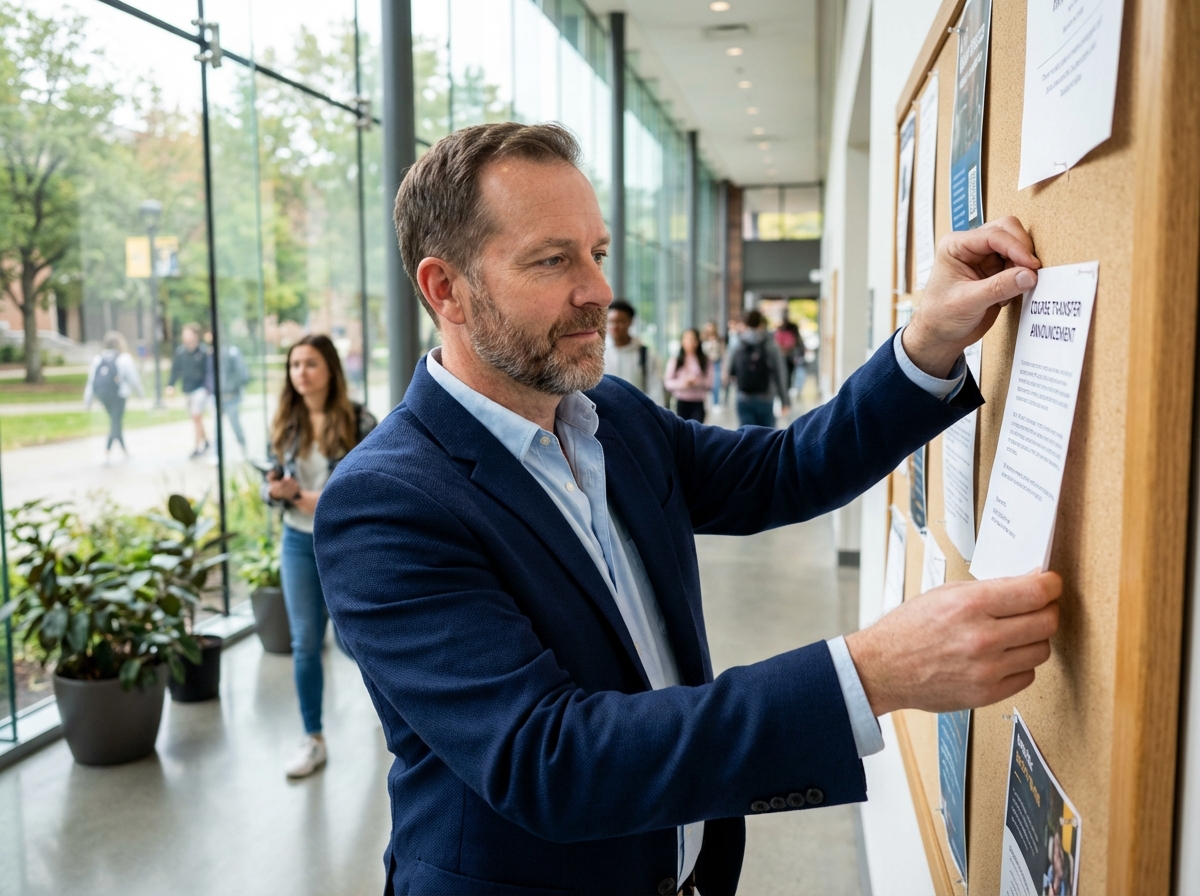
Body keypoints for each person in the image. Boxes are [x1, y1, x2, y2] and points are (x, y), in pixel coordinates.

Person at [314, 122, 1059, 895]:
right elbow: (549, 760)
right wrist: (868, 673)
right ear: (446, 290)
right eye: (552, 259)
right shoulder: (385, 503)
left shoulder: (613, 417)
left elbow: (783, 471)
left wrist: (929, 342)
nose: (599, 290)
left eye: (596, 253)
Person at [263, 334, 377, 779]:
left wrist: (319, 500)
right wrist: (275, 491)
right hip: (296, 541)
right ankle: (312, 738)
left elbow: (374, 482)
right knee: (305, 644)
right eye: (294, 365)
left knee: (356, 640)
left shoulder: (358, 420)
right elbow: (268, 477)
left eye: (310, 364)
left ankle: (401, 705)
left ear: (330, 369)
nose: (301, 373)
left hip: (345, 544)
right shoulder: (286, 421)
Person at [83, 331, 144, 461]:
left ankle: (124, 450)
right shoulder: (124, 358)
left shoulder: (98, 358)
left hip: (103, 396)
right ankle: (108, 450)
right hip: (119, 395)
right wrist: (140, 394)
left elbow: (91, 381)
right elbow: (133, 379)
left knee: (115, 421)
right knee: (115, 422)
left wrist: (87, 400)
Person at [728, 308, 790, 427]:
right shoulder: (771, 345)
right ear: (761, 323)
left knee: (746, 437)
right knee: (768, 437)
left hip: (743, 396)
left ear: (745, 324)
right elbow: (780, 374)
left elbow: (729, 370)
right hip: (765, 396)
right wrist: (784, 401)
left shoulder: (737, 343)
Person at [604, 299, 663, 404]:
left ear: (630, 322)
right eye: (611, 321)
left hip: (636, 413)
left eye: (620, 321)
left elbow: (655, 389)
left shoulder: (645, 354)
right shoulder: (600, 352)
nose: (615, 326)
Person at [166, 322, 211, 458]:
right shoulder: (181, 353)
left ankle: (197, 447)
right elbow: (175, 371)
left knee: (196, 416)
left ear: (195, 335)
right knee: (196, 418)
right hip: (188, 389)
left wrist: (207, 388)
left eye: (188, 333)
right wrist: (170, 385)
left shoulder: (203, 352)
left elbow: (209, 372)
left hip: (200, 389)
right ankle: (207, 441)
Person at [204, 330, 250, 455]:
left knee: (235, 424)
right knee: (216, 427)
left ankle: (243, 449)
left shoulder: (231, 352)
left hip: (231, 396)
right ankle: (217, 454)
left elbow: (242, 374)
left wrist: (230, 388)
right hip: (216, 396)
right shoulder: (211, 354)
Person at [664, 328, 713, 423]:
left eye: (693, 339)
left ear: (698, 342)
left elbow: (711, 382)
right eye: (687, 339)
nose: (690, 342)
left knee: (697, 432)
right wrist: (683, 383)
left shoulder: (704, 360)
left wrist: (698, 382)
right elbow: (668, 383)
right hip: (681, 401)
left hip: (698, 402)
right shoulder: (676, 360)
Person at [700, 321, 725, 407]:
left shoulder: (718, 340)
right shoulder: (703, 340)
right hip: (706, 363)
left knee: (716, 382)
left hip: (716, 362)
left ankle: (716, 402)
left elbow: (722, 352)